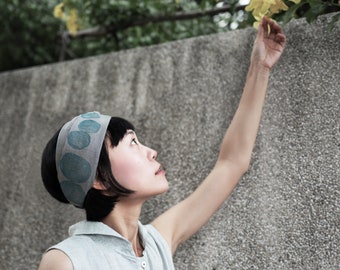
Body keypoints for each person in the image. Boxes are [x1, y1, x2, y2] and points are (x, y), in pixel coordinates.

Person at [38, 17, 286, 270]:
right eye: (132, 143)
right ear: (98, 178)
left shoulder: (156, 243)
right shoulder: (66, 260)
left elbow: (232, 162)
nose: (151, 152)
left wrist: (260, 68)